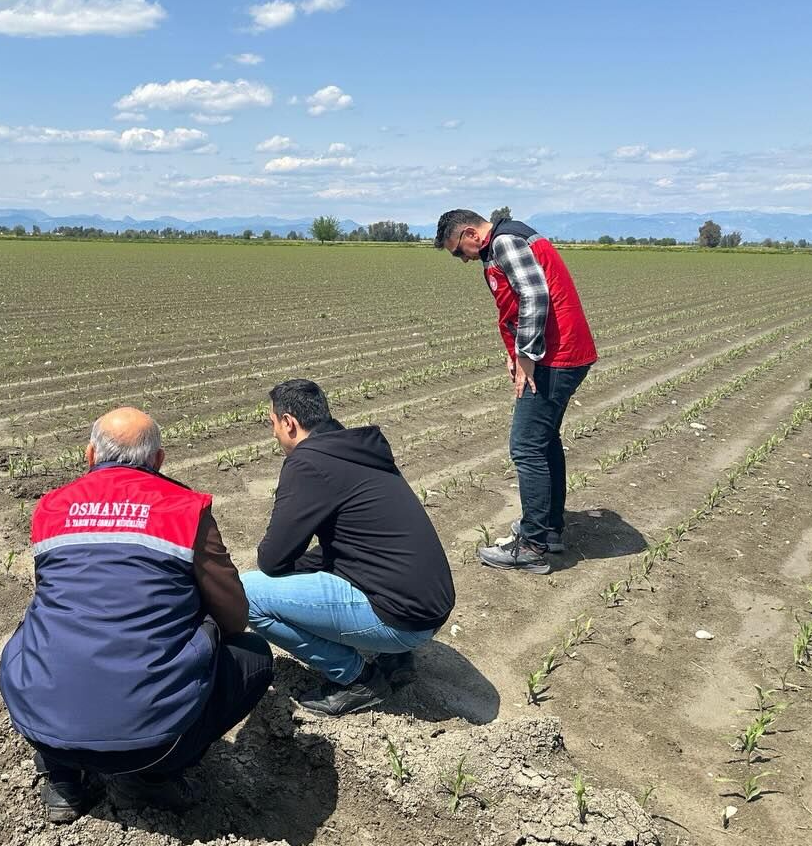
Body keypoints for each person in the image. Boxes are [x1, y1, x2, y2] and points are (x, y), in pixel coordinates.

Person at [0, 407, 273, 823]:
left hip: (41, 726)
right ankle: (148, 776)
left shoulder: (52, 507)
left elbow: (50, 595)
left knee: (40, 629)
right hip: (152, 742)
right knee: (253, 654)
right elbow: (234, 617)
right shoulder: (185, 509)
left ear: (90, 455)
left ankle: (62, 778)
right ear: (158, 460)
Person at [241, 380, 455, 716]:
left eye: (272, 424)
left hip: (402, 619)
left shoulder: (307, 463)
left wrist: (294, 570)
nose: (273, 434)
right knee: (328, 563)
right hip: (429, 606)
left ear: (289, 423)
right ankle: (391, 656)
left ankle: (356, 679)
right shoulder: (356, 449)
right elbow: (354, 545)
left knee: (245, 594)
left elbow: (271, 558)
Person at [434, 209, 597, 573]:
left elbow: (534, 296)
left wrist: (526, 356)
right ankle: (549, 529)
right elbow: (517, 304)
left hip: (556, 356)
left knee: (525, 446)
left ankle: (534, 545)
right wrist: (516, 351)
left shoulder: (505, 242)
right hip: (562, 353)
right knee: (544, 441)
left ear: (472, 234)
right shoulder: (509, 239)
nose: (463, 260)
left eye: (459, 251)